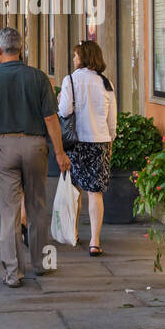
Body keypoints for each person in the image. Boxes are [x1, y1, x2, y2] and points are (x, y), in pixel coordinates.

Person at [0, 27, 70, 287]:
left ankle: (14, 273)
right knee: (37, 206)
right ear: (22, 49)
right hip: (36, 145)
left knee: (10, 211)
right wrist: (59, 153)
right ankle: (41, 263)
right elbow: (51, 118)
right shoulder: (38, 78)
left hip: (4, 146)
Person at [59, 41, 117, 256]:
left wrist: (60, 102)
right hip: (100, 141)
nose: (74, 59)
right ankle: (95, 240)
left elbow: (65, 111)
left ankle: (73, 232)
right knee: (95, 193)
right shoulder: (106, 82)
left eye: (76, 55)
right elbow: (112, 118)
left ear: (83, 57)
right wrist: (110, 139)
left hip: (76, 141)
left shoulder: (70, 80)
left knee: (75, 190)